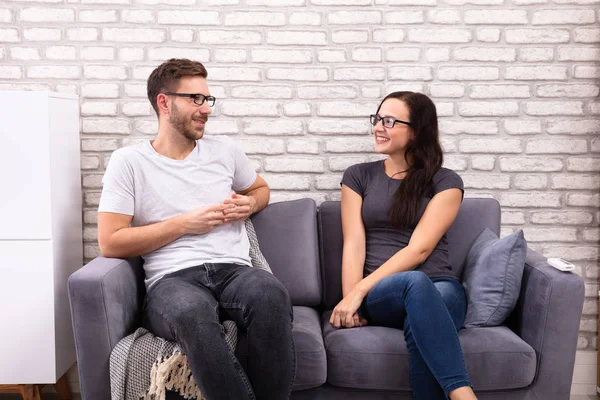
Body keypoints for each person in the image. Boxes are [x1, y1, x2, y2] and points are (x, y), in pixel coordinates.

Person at [97, 58, 295, 400]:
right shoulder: (129, 162)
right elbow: (111, 242)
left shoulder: (225, 151)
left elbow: (260, 189)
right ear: (164, 102)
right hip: (171, 280)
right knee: (192, 312)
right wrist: (183, 225)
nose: (205, 109)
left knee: (270, 295)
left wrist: (251, 204)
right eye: (195, 99)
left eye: (207, 99)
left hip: (234, 271)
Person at [330, 91, 477, 400]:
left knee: (421, 317)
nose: (378, 127)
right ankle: (462, 393)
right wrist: (353, 296)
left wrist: (356, 292)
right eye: (377, 119)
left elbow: (420, 250)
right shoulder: (358, 176)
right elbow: (354, 243)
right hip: (383, 292)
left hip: (441, 288)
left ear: (416, 130)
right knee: (414, 282)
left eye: (389, 121)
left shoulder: (446, 182)